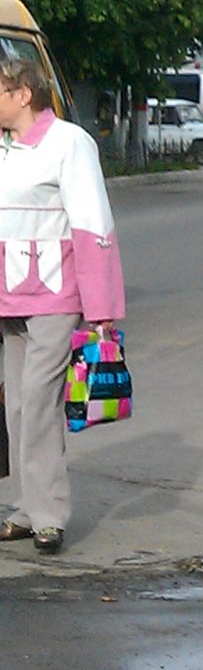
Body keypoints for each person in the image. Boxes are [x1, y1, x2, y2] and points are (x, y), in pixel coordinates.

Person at [0, 55, 126, 555]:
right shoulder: (4, 148)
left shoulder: (69, 142)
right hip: (8, 295)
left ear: (22, 94)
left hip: (54, 292)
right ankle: (26, 509)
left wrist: (100, 310)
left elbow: (93, 223)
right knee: (16, 406)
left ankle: (49, 514)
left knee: (39, 402)